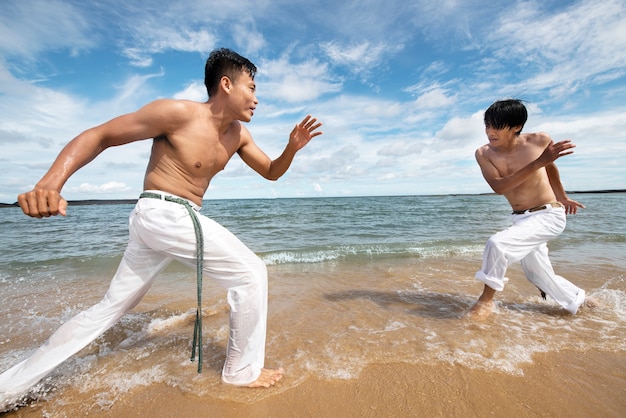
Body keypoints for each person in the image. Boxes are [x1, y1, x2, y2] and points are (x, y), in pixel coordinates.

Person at [0, 48, 322, 406]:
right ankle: (241, 372)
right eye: (252, 87)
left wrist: (292, 148)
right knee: (251, 273)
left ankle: (8, 388)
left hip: (163, 222)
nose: (257, 98)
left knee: (110, 308)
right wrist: (51, 183)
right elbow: (100, 135)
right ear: (226, 84)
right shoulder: (178, 113)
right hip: (163, 211)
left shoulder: (238, 135)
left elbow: (272, 172)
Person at [469, 99, 588, 319]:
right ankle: (581, 301)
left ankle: (485, 302)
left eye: (496, 126)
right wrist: (538, 162)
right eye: (487, 126)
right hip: (521, 219)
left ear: (516, 127)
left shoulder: (539, 140)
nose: (490, 132)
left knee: (497, 244)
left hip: (549, 214)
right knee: (539, 276)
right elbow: (499, 187)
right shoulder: (484, 153)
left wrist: (562, 197)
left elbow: (550, 167)